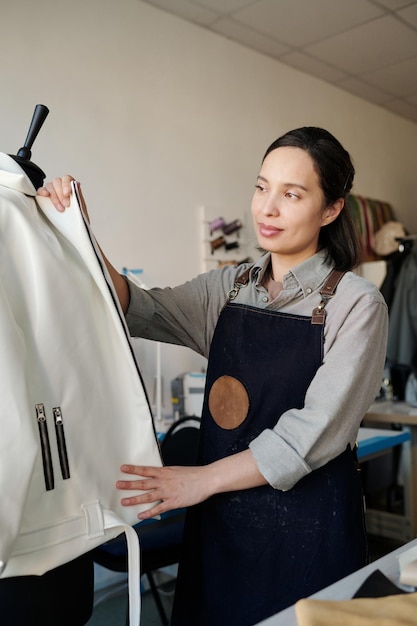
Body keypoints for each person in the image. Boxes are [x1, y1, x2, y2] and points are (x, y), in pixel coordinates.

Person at [40, 127, 388, 626]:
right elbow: (136, 308)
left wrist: (198, 481)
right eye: (262, 186)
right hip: (222, 530)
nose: (267, 208)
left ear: (331, 209)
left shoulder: (356, 304)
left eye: (291, 194)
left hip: (308, 536)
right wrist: (80, 231)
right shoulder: (229, 288)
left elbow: (312, 433)